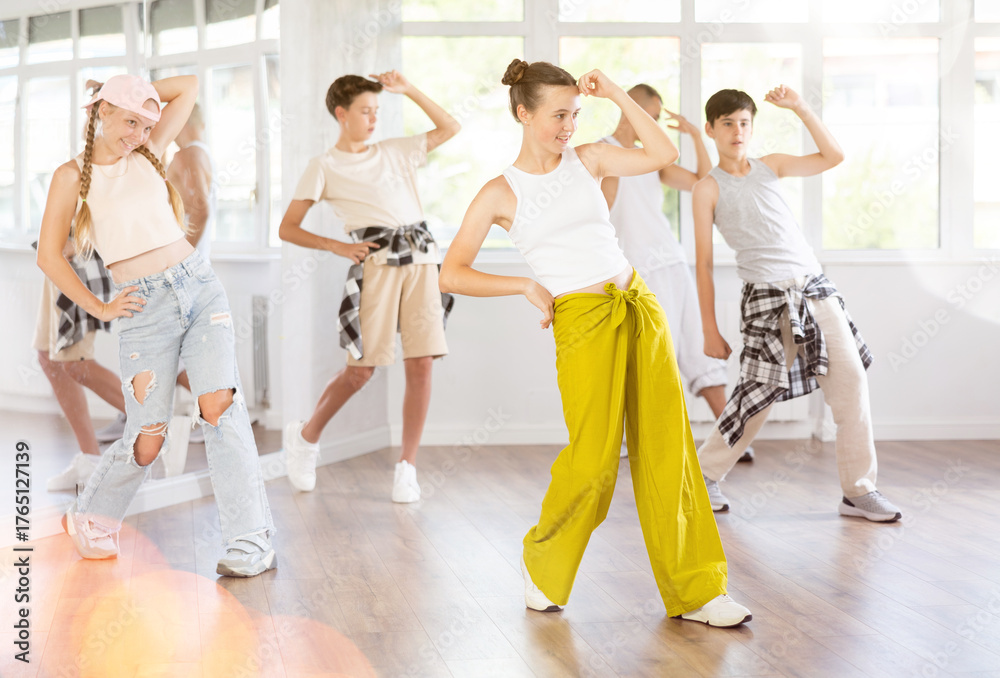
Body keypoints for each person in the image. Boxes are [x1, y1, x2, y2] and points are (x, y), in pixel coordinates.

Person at [439, 59, 751, 627]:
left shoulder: (590, 158)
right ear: (522, 113)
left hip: (638, 304)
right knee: (594, 462)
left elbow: (664, 154)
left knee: (668, 450)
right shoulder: (499, 192)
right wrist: (523, 285)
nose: (568, 126)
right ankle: (544, 563)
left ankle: (698, 590)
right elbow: (451, 273)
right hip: (581, 319)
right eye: (558, 115)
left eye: (575, 114)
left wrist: (611, 93)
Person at [36, 74, 276, 576]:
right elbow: (48, 257)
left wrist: (134, 92)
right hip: (145, 308)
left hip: (200, 288)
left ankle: (251, 542)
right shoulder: (69, 176)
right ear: (101, 113)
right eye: (130, 121)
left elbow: (188, 86)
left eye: (147, 124)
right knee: (148, 437)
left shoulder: (149, 152)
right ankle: (93, 518)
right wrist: (100, 308)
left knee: (220, 410)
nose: (140, 133)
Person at [693, 86, 902, 523]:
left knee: (850, 387)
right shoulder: (707, 189)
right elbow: (705, 264)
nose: (737, 131)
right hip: (766, 299)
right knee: (757, 396)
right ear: (711, 129)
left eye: (744, 122)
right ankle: (703, 477)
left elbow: (833, 156)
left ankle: (859, 492)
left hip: (815, 289)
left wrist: (801, 108)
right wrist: (709, 329)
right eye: (728, 123)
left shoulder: (771, 166)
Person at [278, 70, 460, 502]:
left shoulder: (396, 151)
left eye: (377, 111)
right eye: (365, 111)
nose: (373, 118)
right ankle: (305, 438)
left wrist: (411, 89)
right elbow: (288, 228)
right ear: (341, 114)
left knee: (421, 364)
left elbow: (451, 127)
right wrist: (337, 247)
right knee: (360, 370)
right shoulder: (323, 166)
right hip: (376, 264)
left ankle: (407, 467)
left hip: (421, 259)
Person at [600, 84, 753, 462]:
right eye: (649, 116)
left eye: (656, 119)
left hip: (670, 261)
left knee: (697, 347)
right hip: (637, 271)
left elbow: (704, 180)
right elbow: (601, 212)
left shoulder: (654, 159)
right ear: (629, 109)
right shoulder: (602, 153)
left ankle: (734, 438)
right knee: (654, 356)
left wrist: (696, 136)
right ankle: (655, 442)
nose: (653, 124)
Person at [33, 237, 127, 491]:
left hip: (79, 261)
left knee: (76, 364)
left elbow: (105, 200)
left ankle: (160, 423)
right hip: (55, 257)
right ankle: (91, 460)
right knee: (48, 357)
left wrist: (84, 240)